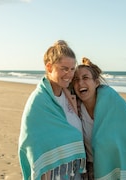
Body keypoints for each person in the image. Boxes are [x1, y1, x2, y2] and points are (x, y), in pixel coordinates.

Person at [72, 57, 126, 180]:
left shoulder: (113, 103)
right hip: (87, 170)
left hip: (114, 166)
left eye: (85, 78)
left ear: (96, 83)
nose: (80, 83)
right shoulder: (74, 109)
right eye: (76, 79)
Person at [18, 40, 87, 180]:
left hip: (73, 169)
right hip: (51, 171)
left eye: (72, 69)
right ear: (49, 67)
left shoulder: (69, 94)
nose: (69, 74)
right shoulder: (39, 101)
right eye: (64, 69)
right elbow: (31, 142)